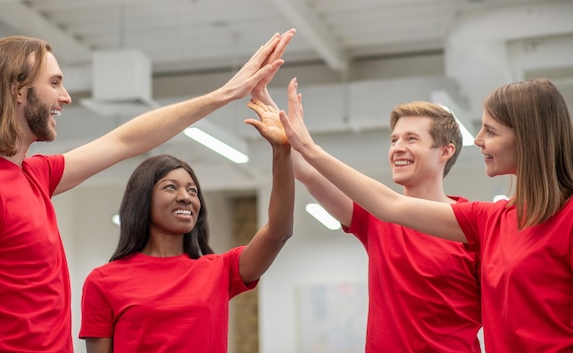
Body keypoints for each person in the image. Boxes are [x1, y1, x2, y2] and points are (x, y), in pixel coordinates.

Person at [0, 29, 295, 353]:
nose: (65, 97)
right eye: (54, 83)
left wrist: (225, 94)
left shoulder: (34, 176)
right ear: (18, 90)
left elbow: (126, 140)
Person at [278, 77, 573, 352]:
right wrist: (287, 130)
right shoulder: (489, 220)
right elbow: (389, 205)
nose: (479, 139)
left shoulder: (562, 217)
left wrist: (310, 148)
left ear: (528, 137)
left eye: (491, 131)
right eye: (394, 139)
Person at [250, 85, 482, 351]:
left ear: (445, 151)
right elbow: (306, 172)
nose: (398, 148)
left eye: (411, 139)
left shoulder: (471, 225)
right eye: (394, 140)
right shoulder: (376, 217)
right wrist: (266, 101)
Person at [78, 95, 294, 353]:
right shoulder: (103, 281)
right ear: (143, 199)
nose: (185, 197)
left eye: (192, 191)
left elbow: (278, 232)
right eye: (171, 187)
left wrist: (282, 152)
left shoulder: (219, 271)